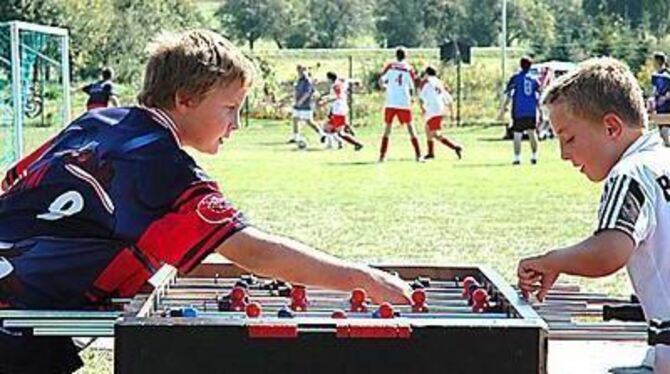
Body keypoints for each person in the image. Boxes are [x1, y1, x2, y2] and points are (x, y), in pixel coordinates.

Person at [0, 29, 411, 373]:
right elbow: (253, 252)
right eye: (230, 108)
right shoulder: (161, 165)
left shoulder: (97, 121)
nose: (234, 124)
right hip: (13, 327)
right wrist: (365, 279)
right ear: (185, 99)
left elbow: (13, 182)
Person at [517, 57, 670, 373]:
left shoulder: (631, 173)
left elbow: (610, 251)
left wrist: (554, 260)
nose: (564, 154)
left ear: (612, 127)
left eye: (569, 138)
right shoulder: (664, 161)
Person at [378, 47, 422, 162]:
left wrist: (387, 87)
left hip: (391, 101)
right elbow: (413, 86)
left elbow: (381, 81)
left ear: (396, 55)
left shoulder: (391, 66)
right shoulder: (409, 69)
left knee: (387, 128)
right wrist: (413, 98)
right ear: (405, 56)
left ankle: (382, 156)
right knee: (411, 128)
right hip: (404, 102)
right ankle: (418, 155)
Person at [498, 56, 541, 165]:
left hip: (519, 110)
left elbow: (509, 93)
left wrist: (504, 108)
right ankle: (534, 156)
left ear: (520, 65)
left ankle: (517, 158)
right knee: (532, 132)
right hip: (531, 110)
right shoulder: (534, 79)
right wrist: (540, 109)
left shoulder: (516, 78)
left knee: (517, 134)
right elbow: (539, 93)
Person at [418, 66, 462, 160]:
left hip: (432, 110)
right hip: (439, 108)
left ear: (427, 73)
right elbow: (449, 99)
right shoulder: (439, 82)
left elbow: (421, 97)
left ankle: (455, 147)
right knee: (427, 129)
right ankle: (430, 153)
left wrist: (422, 109)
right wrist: (452, 113)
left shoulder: (426, 82)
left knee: (435, 134)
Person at [320, 72, 363, 151]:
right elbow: (347, 81)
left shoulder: (336, 86)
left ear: (330, 79)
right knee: (326, 127)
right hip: (337, 110)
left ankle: (357, 144)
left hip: (339, 110)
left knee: (340, 133)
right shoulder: (339, 82)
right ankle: (336, 141)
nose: (326, 80)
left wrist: (325, 100)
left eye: (327, 79)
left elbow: (337, 96)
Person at [290, 64, 323, 148]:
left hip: (306, 104)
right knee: (295, 119)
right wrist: (294, 100)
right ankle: (296, 137)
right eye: (299, 71)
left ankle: (322, 134)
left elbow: (308, 93)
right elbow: (295, 91)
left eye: (301, 70)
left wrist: (301, 101)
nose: (300, 72)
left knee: (309, 121)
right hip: (297, 104)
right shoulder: (299, 80)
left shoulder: (307, 81)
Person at [651, 52, 670, 146]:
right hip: (659, 107)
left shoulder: (667, 75)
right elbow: (655, 90)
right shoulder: (654, 76)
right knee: (661, 131)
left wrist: (665, 97)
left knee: (665, 129)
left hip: (667, 106)